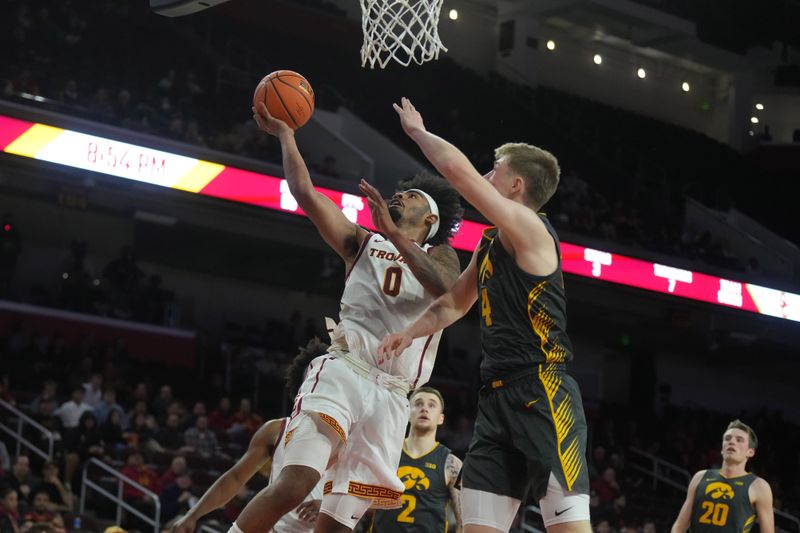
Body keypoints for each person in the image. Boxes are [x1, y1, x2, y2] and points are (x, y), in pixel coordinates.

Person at [233, 101, 462, 533]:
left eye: (410, 196)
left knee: (336, 527)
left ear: (430, 218)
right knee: (296, 484)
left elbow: (446, 292)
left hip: (395, 395)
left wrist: (396, 236)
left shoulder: (443, 255)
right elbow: (305, 193)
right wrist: (287, 136)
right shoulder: (360, 241)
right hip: (346, 369)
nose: (399, 195)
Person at [380, 98, 591, 533]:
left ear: (516, 184)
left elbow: (459, 175)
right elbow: (455, 303)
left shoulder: (531, 229)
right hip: (495, 399)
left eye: (495, 169)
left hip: (542, 391)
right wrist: (408, 332)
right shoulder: (493, 241)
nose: (487, 175)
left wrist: (418, 132)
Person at [171, 338, 330, 533]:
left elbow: (373, 498)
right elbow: (236, 478)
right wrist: (193, 514)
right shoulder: (276, 429)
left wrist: (328, 506)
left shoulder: (352, 436)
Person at [371, 387, 463, 533]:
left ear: (441, 418)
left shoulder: (451, 464)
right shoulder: (386, 451)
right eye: (418, 404)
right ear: (407, 412)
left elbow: (463, 521)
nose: (424, 409)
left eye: (431, 405)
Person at [671, 420, 774, 533]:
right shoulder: (700, 477)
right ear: (722, 448)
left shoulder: (759, 486)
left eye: (739, 440)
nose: (732, 442)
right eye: (727, 438)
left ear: (750, 452)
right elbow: (680, 525)